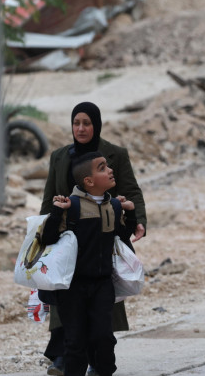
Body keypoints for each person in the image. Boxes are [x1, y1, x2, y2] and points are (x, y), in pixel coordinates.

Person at [40, 102, 148, 376]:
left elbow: (131, 192)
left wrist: (138, 222)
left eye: (86, 123)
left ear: (96, 124)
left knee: (101, 317)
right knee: (65, 305)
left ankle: (98, 363)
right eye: (76, 123)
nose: (80, 128)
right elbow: (48, 198)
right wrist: (41, 236)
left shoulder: (116, 155)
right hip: (67, 240)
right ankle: (63, 357)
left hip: (101, 238)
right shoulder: (60, 156)